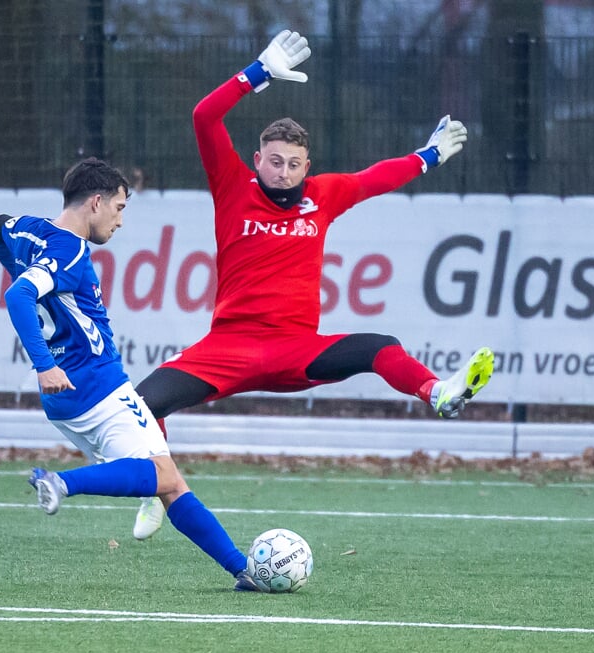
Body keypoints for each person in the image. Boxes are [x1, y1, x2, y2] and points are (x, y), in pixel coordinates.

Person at [130, 30, 495, 540]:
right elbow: (203, 117)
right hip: (227, 348)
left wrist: (428, 156)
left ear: (308, 167)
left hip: (296, 349)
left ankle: (438, 393)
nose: (283, 172)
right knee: (141, 406)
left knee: (379, 346)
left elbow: (376, 178)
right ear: (257, 161)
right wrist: (256, 73)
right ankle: (158, 489)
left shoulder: (324, 195)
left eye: (294, 164)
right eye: (274, 162)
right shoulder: (233, 187)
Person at [0, 157, 258, 591]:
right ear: (96, 202)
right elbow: (19, 295)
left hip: (65, 400)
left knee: (167, 482)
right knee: (164, 477)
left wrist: (16, 264)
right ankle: (60, 483)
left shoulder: (27, 229)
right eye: (120, 207)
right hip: (95, 383)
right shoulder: (69, 250)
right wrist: (44, 364)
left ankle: (243, 571)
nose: (120, 220)